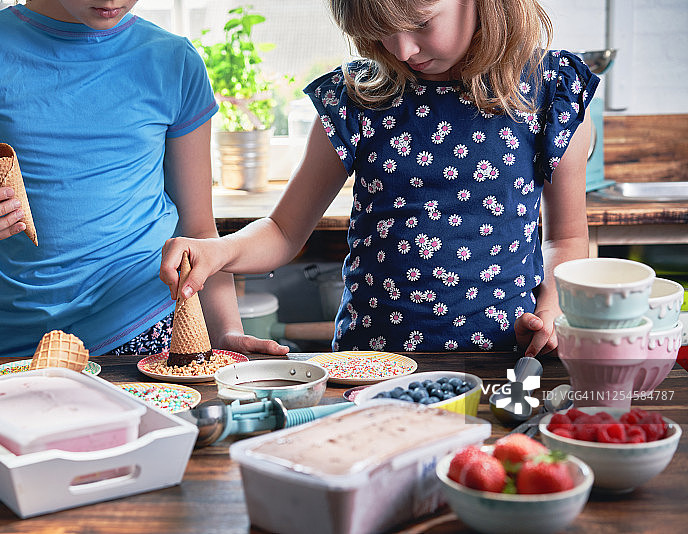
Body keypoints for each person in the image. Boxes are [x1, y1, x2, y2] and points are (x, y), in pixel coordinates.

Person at [161, 0, 599, 357]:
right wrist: (220, 251)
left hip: (505, 357)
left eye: (421, 24)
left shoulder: (551, 92)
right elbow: (282, 232)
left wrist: (554, 303)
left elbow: (565, 239)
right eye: (382, 30)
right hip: (368, 361)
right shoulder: (356, 98)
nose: (402, 49)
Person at [0, 0, 287, 358]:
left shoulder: (173, 61)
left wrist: (225, 332)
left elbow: (199, 230)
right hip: (13, 336)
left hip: (143, 326)